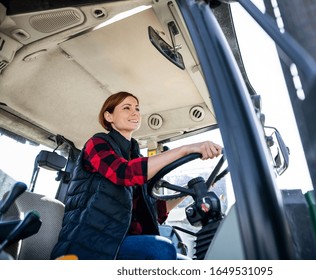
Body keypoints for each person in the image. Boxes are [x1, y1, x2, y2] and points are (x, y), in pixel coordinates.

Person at [50, 91, 222, 260]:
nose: (135, 113)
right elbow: (122, 173)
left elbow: (156, 211)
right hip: (90, 242)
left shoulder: (136, 159)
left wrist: (190, 190)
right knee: (161, 248)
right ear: (109, 116)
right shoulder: (96, 144)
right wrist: (185, 149)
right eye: (126, 108)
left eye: (137, 108)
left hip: (122, 241)